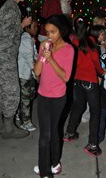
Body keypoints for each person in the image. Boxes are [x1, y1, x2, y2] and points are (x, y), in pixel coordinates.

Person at [0, 0, 32, 139]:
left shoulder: (10, 7)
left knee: (0, 88)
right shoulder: (10, 9)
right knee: (12, 90)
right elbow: (4, 35)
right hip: (5, 55)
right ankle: (9, 129)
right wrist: (22, 26)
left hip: (3, 54)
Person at [33, 14, 75, 178]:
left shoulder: (69, 50)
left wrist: (51, 60)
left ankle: (46, 172)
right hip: (43, 95)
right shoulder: (45, 47)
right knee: (47, 134)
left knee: (52, 131)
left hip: (58, 97)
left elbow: (65, 77)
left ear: (62, 32)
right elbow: (37, 72)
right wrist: (43, 52)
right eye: (47, 31)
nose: (49, 35)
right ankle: (53, 165)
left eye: (53, 32)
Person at [63, 15, 105, 157]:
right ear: (87, 28)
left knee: (77, 106)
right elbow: (95, 61)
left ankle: (69, 132)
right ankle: (92, 144)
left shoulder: (72, 42)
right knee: (95, 111)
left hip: (76, 80)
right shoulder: (91, 41)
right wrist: (101, 72)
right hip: (90, 81)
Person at [17, 19, 38, 132]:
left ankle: (20, 114)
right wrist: (36, 71)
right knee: (26, 98)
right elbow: (29, 58)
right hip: (24, 74)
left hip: (27, 73)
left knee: (28, 95)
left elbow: (34, 54)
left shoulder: (29, 39)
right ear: (27, 27)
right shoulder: (25, 39)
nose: (37, 29)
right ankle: (25, 121)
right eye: (34, 27)